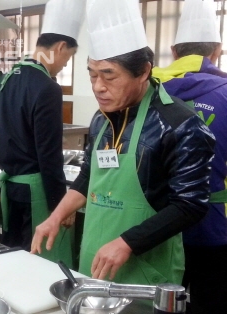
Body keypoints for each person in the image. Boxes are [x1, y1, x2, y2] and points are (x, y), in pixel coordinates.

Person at [31, 0, 215, 286]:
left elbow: (190, 205)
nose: (98, 87)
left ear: (143, 72)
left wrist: (127, 243)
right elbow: (89, 176)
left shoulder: (181, 124)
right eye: (92, 74)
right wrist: (56, 216)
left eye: (109, 75)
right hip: (96, 255)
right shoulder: (101, 119)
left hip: (145, 267)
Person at [0, 0, 85, 266]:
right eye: (68, 57)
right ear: (60, 48)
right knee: (40, 263)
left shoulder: (10, 77)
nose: (64, 65)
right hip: (36, 191)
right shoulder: (48, 87)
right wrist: (61, 205)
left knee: (15, 257)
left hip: (11, 187)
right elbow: (49, 153)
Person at [152, 0, 227, 312]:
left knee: (161, 302)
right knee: (211, 300)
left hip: (155, 222)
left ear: (173, 51)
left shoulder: (149, 90)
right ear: (217, 52)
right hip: (214, 224)